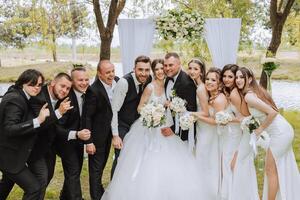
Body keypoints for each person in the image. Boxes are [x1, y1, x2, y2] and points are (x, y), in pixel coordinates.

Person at [101, 59, 203, 200]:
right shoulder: (150, 87)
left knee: (168, 159)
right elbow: (140, 107)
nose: (161, 71)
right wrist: (151, 113)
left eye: (163, 68)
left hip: (165, 125)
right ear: (153, 72)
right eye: (157, 69)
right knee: (143, 159)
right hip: (149, 127)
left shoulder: (169, 84)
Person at [236, 67, 300, 200]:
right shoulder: (253, 92)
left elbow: (273, 112)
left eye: (242, 77)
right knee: (274, 168)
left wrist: (261, 129)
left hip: (280, 133)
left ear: (250, 79)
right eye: (237, 77)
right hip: (283, 130)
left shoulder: (249, 96)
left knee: (270, 169)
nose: (238, 80)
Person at [0, 69, 50, 200]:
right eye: (32, 84)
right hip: (8, 156)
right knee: (34, 188)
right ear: (23, 83)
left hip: (13, 153)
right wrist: (38, 120)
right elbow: (9, 129)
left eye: (39, 85)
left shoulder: (20, 94)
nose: (36, 88)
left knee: (6, 184)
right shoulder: (15, 100)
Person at [221, 64, 259, 200]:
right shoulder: (233, 92)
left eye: (231, 77)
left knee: (235, 166)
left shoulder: (235, 93)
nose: (227, 79)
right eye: (224, 76)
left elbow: (246, 118)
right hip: (233, 135)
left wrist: (228, 119)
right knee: (235, 167)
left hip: (239, 136)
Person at [110, 55, 151, 176]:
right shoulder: (124, 82)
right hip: (122, 124)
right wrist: (115, 135)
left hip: (137, 125)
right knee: (120, 157)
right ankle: (114, 189)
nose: (143, 73)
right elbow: (114, 110)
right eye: (140, 70)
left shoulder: (149, 80)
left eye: (147, 70)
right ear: (134, 69)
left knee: (136, 157)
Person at [55, 68, 91, 200]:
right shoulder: (66, 99)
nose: (84, 83)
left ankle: (64, 196)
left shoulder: (87, 93)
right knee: (73, 173)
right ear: (73, 81)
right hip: (64, 141)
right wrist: (76, 134)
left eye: (86, 79)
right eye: (80, 80)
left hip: (78, 140)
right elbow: (57, 127)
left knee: (74, 172)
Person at [86, 60, 119, 200]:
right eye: (107, 72)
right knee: (96, 170)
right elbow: (86, 116)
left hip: (111, 133)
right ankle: (96, 196)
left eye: (112, 71)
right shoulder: (93, 90)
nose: (111, 75)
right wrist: (89, 141)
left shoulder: (118, 82)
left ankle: (100, 192)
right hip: (97, 137)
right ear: (99, 74)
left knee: (103, 165)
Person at [162, 52, 197, 141]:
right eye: (165, 65)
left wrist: (173, 129)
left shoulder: (187, 83)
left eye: (171, 65)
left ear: (179, 65)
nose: (167, 68)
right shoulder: (168, 78)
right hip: (168, 121)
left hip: (180, 131)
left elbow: (191, 111)